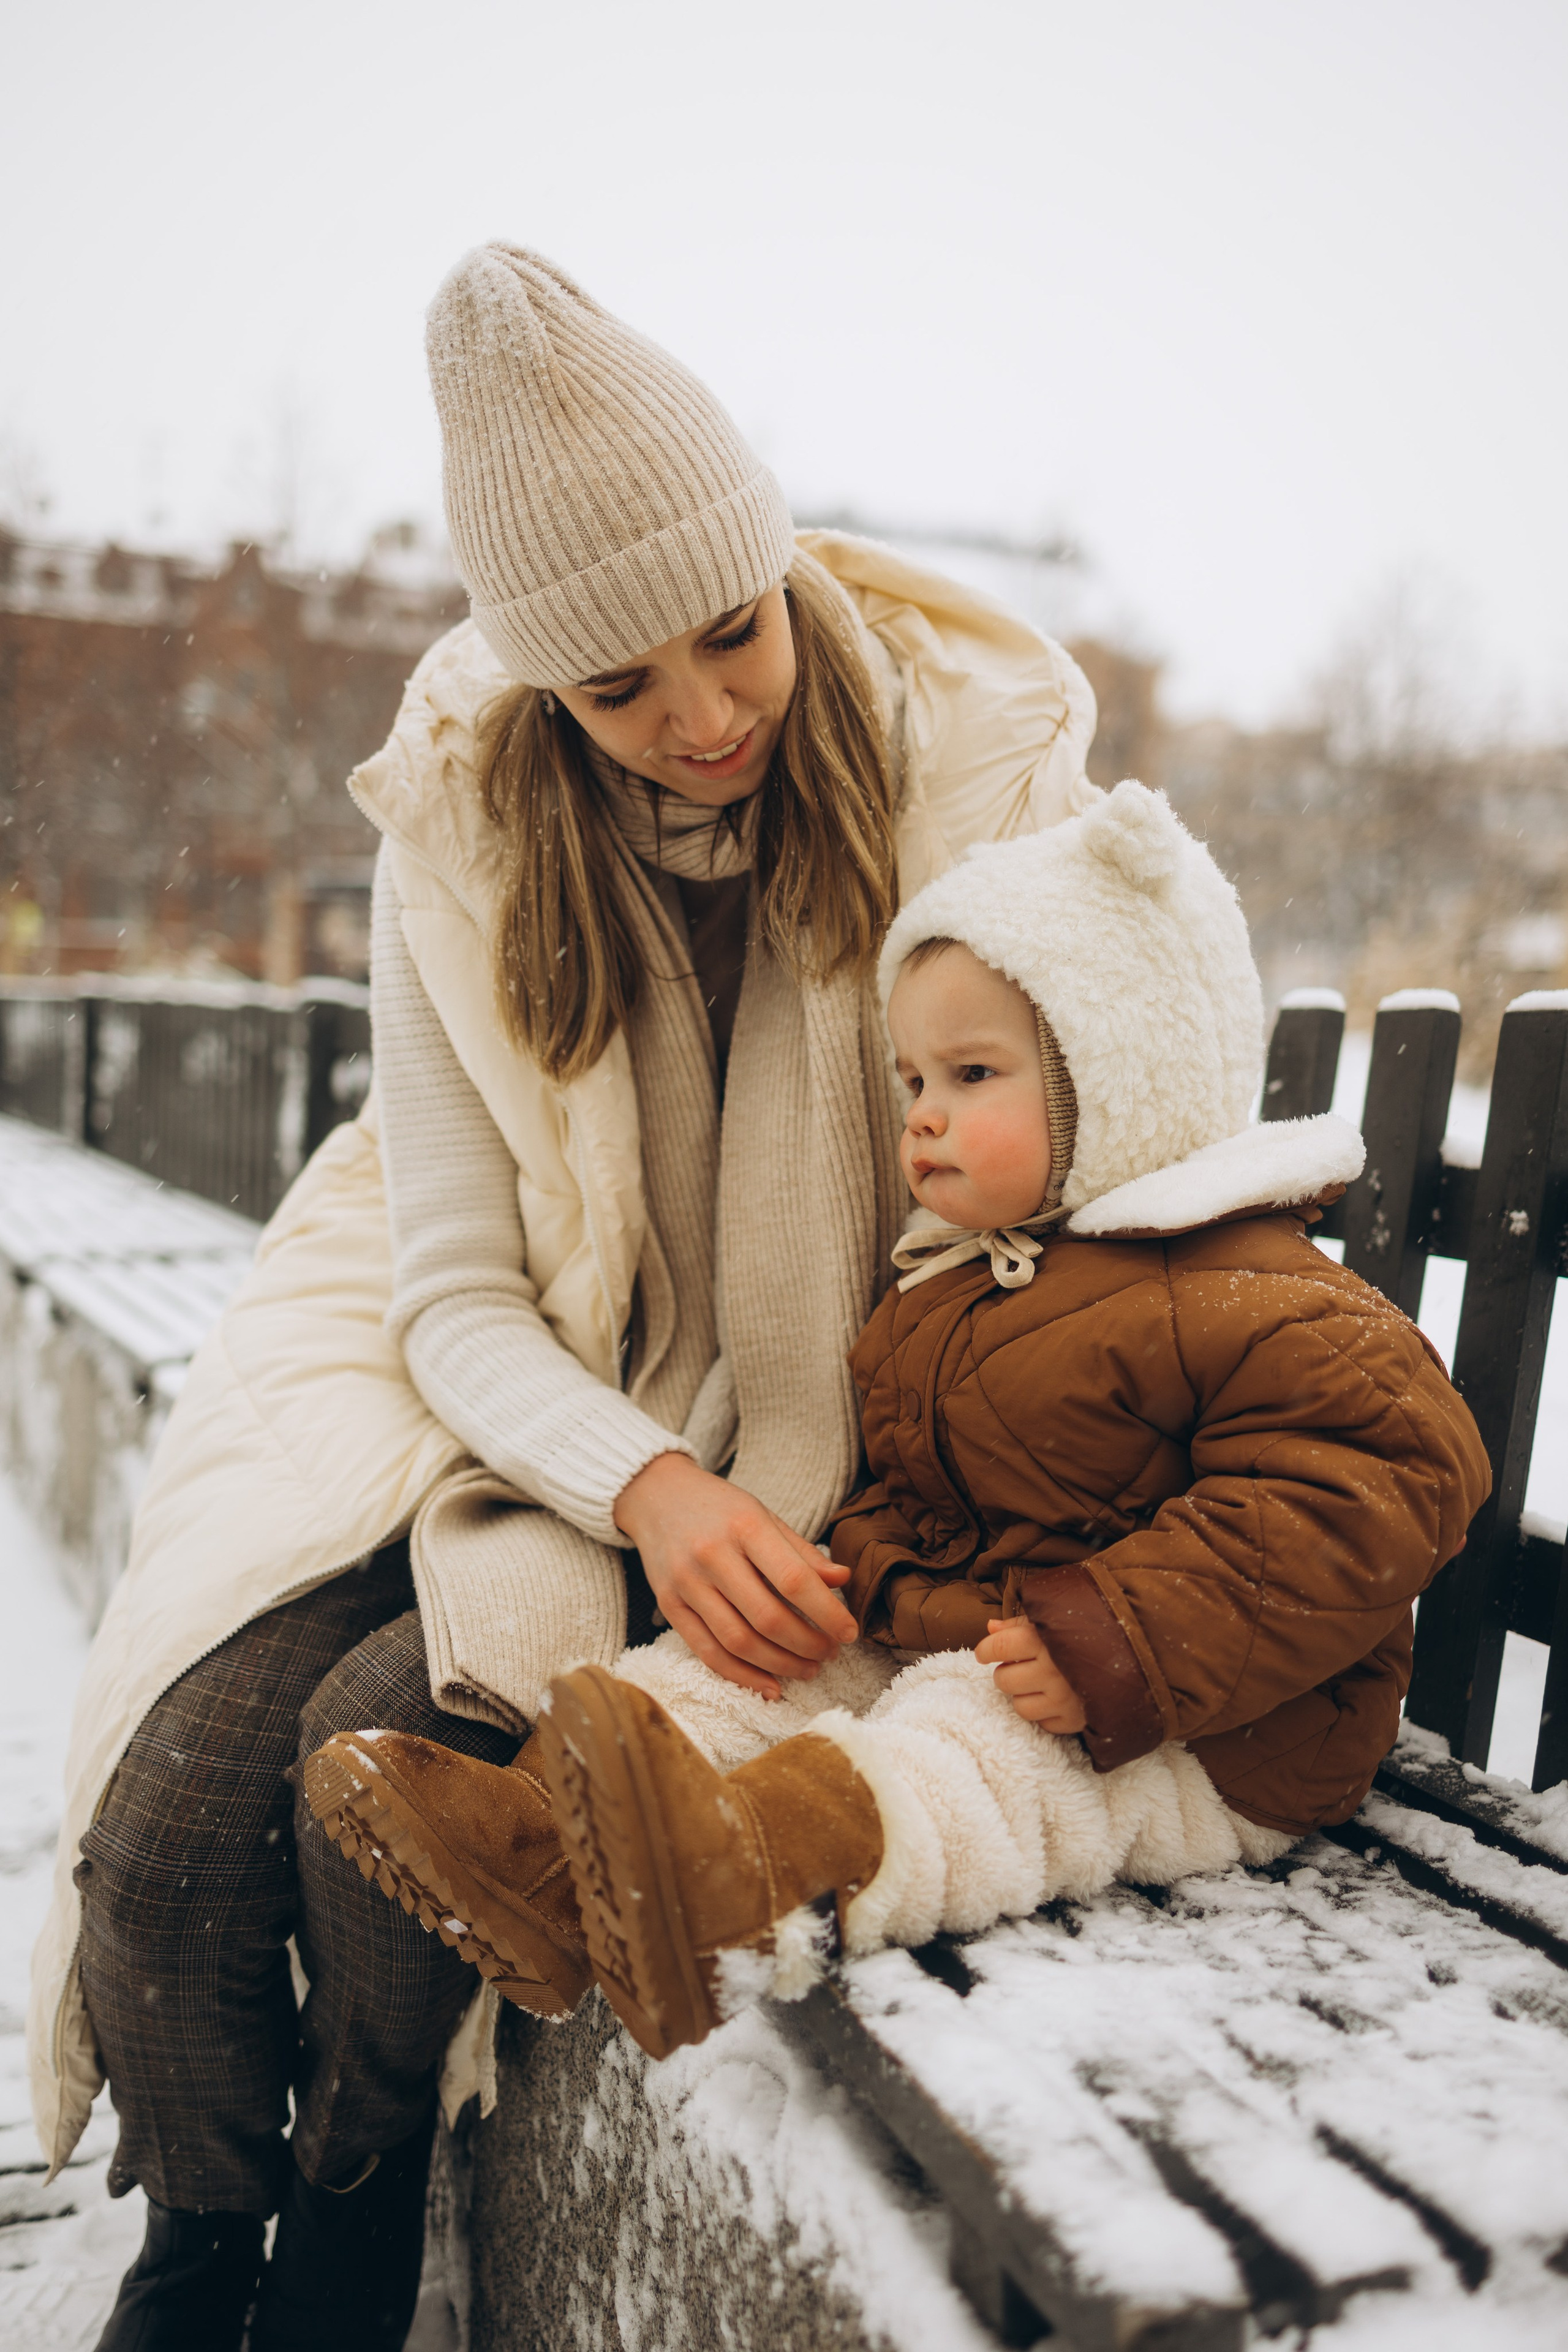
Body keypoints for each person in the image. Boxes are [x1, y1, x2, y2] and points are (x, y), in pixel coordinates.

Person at [32, 241, 1101, 2352]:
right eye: (620, 686)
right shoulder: (467, 835)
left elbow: (1054, 1179)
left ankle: (348, 2217)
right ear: (537, 689)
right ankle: (195, 2237)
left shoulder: (960, 787)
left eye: (731, 634)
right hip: (546, 1415)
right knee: (164, 1819)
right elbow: (449, 1291)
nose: (702, 719)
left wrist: (745, 1500)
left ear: (777, 562)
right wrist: (650, 1492)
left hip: (810, 1446)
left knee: (371, 1770)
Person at [304, 780, 1490, 2064]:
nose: (919, 1111)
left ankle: (732, 1888)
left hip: (1211, 1732)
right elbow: (931, 1496)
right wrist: (855, 1578)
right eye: (910, 1074)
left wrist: (1123, 1641)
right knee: (741, 1674)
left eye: (970, 1074)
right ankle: (539, 1858)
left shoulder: (1248, 1290)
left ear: (1120, 1074)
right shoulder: (963, 1282)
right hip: (992, 1643)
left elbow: (1389, 1472)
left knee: (961, 1752)